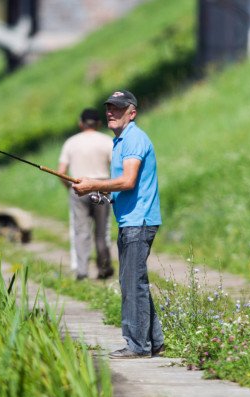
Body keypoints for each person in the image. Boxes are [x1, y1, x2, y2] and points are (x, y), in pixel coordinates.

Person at [73, 90, 165, 359]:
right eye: (109, 108)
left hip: (140, 221)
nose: (111, 112)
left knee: (131, 284)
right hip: (130, 220)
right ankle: (155, 341)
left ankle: (137, 346)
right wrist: (103, 194)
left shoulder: (133, 139)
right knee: (135, 282)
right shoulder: (120, 141)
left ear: (132, 112)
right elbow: (122, 188)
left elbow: (128, 181)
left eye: (118, 108)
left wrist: (94, 183)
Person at [58, 108, 115, 280]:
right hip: (102, 188)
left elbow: (61, 171)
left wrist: (69, 187)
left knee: (81, 230)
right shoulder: (107, 141)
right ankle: (104, 268)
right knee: (101, 231)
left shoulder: (71, 142)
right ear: (98, 123)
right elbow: (117, 166)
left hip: (78, 188)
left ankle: (82, 271)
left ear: (80, 123)